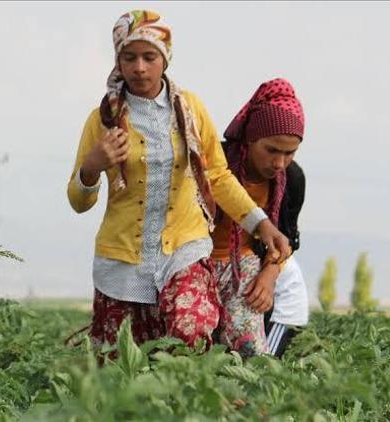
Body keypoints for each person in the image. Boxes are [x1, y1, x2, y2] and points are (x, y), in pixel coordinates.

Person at [66, 10, 289, 351]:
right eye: (129, 57)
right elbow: (79, 202)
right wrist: (92, 167)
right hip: (122, 261)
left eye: (149, 56)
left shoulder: (191, 110)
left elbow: (217, 175)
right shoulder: (103, 120)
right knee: (119, 365)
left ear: (165, 58)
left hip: (184, 249)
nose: (139, 67)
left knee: (191, 335)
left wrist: (261, 224)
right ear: (118, 61)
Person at [211, 78, 305, 357]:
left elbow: (287, 239)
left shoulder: (292, 179)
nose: (279, 163)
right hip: (207, 269)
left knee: (251, 359)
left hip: (258, 280)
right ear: (251, 138)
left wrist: (268, 275)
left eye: (290, 153)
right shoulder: (218, 164)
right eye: (272, 150)